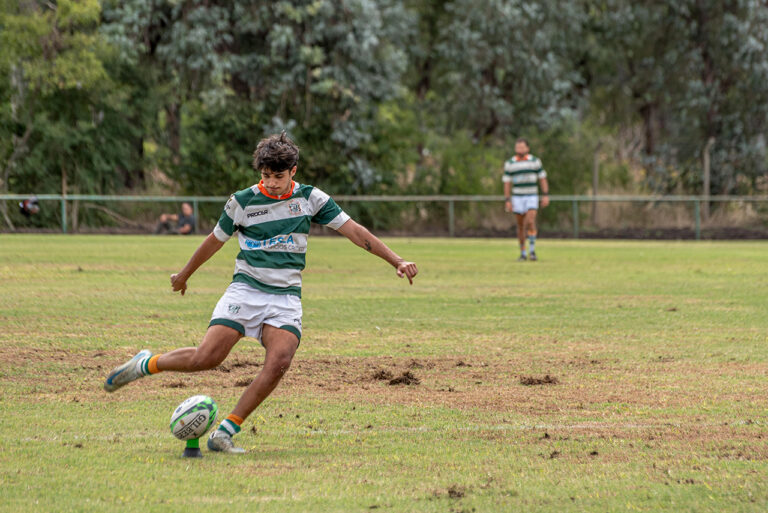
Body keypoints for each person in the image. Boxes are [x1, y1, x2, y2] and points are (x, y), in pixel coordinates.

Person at [103, 133, 418, 454]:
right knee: (206, 358)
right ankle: (147, 364)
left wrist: (397, 259)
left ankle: (225, 432)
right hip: (246, 291)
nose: (271, 183)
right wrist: (184, 275)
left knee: (280, 359)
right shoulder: (242, 201)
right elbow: (213, 241)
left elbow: (355, 231)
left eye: (278, 177)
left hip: (285, 298)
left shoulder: (311, 199)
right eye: (266, 176)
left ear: (293, 171)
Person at [502, 138, 549, 261]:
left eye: (522, 147)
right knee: (521, 225)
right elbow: (507, 183)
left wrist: (545, 194)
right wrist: (507, 200)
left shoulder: (535, 161)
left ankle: (532, 251)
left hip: (531, 195)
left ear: (527, 148)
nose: (520, 150)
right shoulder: (510, 163)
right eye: (518, 147)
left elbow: (542, 178)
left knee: (530, 221)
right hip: (517, 196)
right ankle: (523, 252)